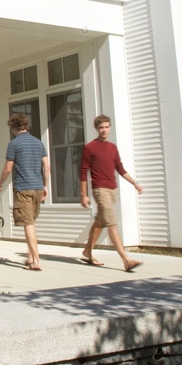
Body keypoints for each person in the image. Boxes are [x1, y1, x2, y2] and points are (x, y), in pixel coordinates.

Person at [78, 114, 143, 271]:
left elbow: (120, 168)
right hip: (100, 189)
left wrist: (134, 183)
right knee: (112, 223)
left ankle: (87, 251)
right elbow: (83, 171)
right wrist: (83, 194)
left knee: (100, 222)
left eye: (107, 127)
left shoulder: (112, 147)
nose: (104, 130)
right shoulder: (90, 147)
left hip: (112, 188)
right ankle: (126, 259)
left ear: (110, 128)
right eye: (101, 127)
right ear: (96, 129)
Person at [0, 113, 49, 270]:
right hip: (38, 187)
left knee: (28, 223)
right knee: (31, 222)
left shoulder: (14, 144)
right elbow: (47, 166)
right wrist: (45, 186)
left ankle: (36, 260)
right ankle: (31, 257)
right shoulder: (39, 143)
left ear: (13, 127)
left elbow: (7, 168)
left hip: (24, 188)